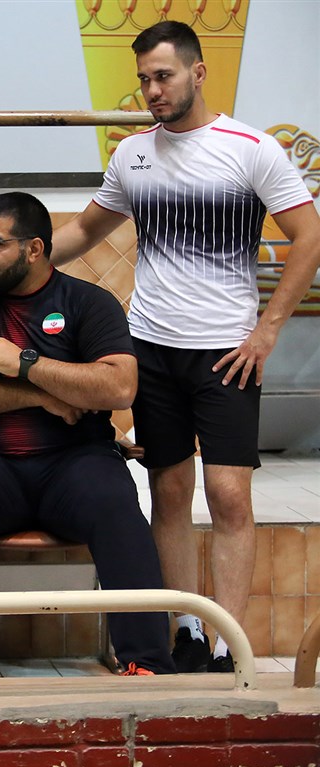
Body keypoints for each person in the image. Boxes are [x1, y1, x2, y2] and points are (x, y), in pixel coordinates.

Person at [51, 21, 320, 673]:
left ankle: (228, 644)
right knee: (169, 492)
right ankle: (187, 632)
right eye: (144, 79)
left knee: (228, 495)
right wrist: (16, 262)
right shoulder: (132, 154)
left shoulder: (251, 149)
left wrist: (268, 331)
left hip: (228, 352)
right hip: (151, 348)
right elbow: (85, 229)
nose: (152, 90)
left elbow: (309, 237)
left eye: (164, 76)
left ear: (198, 73)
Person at [0, 192, 175, 679]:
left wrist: (25, 363)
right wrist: (42, 396)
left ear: (34, 248)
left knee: (115, 500)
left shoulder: (87, 302)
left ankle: (145, 662)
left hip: (74, 459)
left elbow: (119, 386)